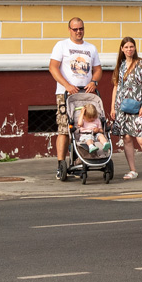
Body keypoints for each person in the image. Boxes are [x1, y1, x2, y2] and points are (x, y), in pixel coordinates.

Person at [50, 17, 101, 180]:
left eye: (81, 29)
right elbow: (53, 67)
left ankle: (81, 160)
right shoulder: (62, 45)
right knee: (65, 129)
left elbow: (98, 69)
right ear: (69, 30)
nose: (78, 32)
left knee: (85, 128)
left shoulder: (91, 48)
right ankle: (61, 164)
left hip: (86, 95)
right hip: (66, 94)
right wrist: (66, 85)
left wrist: (94, 81)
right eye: (75, 29)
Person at [110, 37, 142, 181]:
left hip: (137, 107)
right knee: (126, 138)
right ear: (122, 49)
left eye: (131, 46)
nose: (129, 49)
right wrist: (113, 107)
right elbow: (116, 86)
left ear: (135, 48)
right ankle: (132, 170)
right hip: (121, 107)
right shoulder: (121, 65)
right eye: (126, 47)